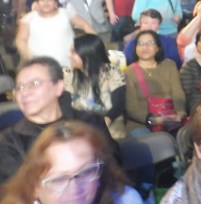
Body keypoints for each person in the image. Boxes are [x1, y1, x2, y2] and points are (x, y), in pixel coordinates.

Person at [0, 56, 119, 184]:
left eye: (34, 84)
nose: (25, 93)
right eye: (19, 87)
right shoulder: (10, 141)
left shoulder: (89, 122)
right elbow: (17, 187)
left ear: (58, 87)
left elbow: (113, 163)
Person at [0, 120, 142, 204]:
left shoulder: (125, 199)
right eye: (58, 180)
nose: (75, 190)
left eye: (86, 172)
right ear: (35, 186)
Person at [63, 34, 127, 140]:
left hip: (111, 130)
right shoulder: (69, 74)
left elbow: (119, 103)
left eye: (73, 52)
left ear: (87, 53)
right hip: (80, 131)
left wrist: (106, 121)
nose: (69, 56)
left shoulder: (111, 71)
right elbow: (66, 105)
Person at [125, 30, 186, 137]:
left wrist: (180, 113)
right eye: (141, 44)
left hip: (171, 117)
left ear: (157, 48)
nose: (145, 47)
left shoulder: (169, 65)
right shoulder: (128, 73)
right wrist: (154, 120)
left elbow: (178, 94)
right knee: (159, 141)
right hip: (143, 123)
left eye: (149, 43)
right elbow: (132, 108)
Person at [15, 0, 94, 68]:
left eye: (49, 0)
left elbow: (85, 25)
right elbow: (21, 40)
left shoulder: (65, 13)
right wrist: (30, 58)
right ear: (38, 3)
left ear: (56, 3)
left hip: (69, 65)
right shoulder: (29, 18)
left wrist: (93, 45)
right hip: (40, 67)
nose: (46, 3)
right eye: (42, 0)